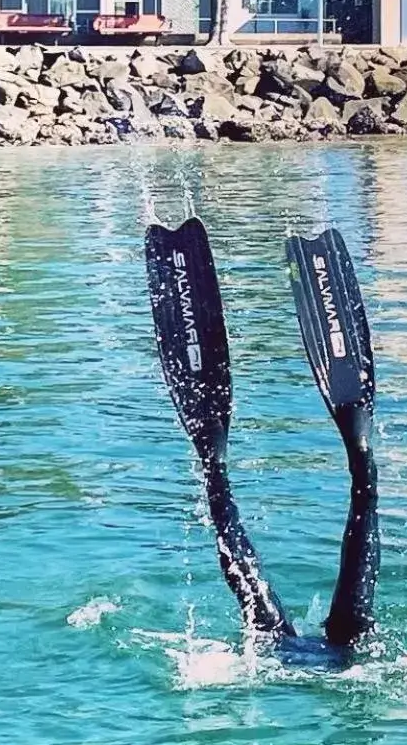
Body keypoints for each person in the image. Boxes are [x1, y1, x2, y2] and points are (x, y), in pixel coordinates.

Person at [143, 218, 379, 651]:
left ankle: (216, 468)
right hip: (342, 656)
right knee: (362, 493)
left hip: (294, 653)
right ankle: (358, 452)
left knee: (254, 582)